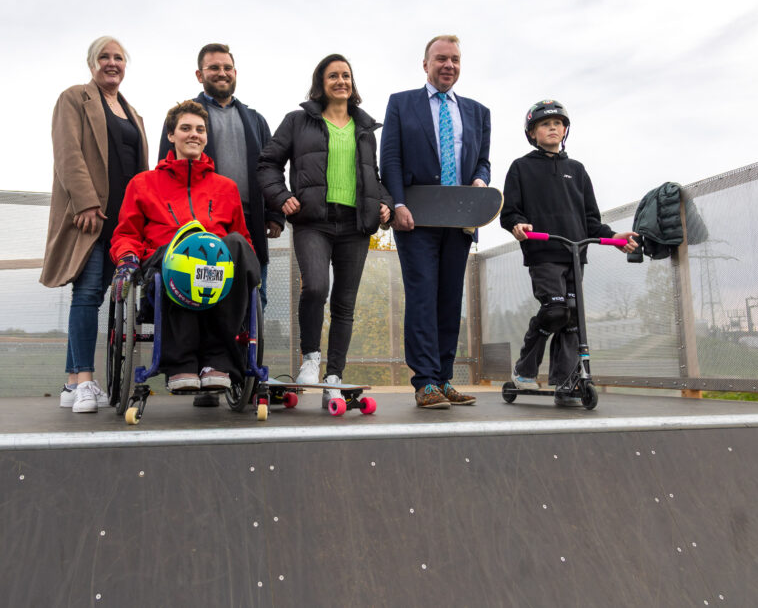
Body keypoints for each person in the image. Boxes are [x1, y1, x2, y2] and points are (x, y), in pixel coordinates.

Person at [257, 54, 392, 406]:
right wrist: (282, 196)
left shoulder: (364, 128)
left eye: (346, 75)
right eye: (333, 76)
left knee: (345, 303)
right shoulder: (298, 121)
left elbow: (373, 177)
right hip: (313, 221)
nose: (341, 81)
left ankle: (334, 376)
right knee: (316, 287)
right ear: (321, 83)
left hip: (356, 225)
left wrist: (385, 204)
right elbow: (268, 163)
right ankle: (310, 360)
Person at [157, 43, 284, 407]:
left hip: (244, 219)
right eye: (214, 68)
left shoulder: (256, 120)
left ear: (235, 72)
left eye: (227, 67)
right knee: (199, 290)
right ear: (200, 75)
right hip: (193, 223)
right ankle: (201, 371)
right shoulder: (189, 117)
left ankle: (237, 372)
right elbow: (166, 172)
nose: (222, 73)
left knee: (252, 294)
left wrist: (274, 214)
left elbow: (272, 168)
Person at [110, 101, 259, 393]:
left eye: (200, 130)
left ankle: (218, 361)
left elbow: (243, 240)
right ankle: (181, 363)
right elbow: (126, 234)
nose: (194, 134)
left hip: (219, 274)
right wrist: (127, 258)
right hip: (165, 266)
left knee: (237, 244)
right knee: (182, 250)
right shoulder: (143, 184)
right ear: (171, 135)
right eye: (186, 128)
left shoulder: (226, 188)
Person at [500, 100, 637, 406]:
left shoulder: (577, 170)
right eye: (545, 124)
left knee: (573, 319)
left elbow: (590, 219)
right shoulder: (521, 167)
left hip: (575, 255)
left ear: (565, 131)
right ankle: (524, 370)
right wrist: (518, 225)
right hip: (543, 251)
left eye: (558, 124)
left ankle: (566, 380)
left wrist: (614, 236)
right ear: (533, 133)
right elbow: (509, 212)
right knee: (555, 311)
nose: (553, 128)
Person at [380, 35, 489, 409]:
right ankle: (424, 382)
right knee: (423, 297)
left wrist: (480, 181)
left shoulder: (478, 112)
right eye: (441, 58)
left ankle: (443, 378)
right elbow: (390, 159)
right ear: (425, 64)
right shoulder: (401, 104)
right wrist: (396, 204)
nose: (449, 65)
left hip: (460, 219)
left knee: (449, 300)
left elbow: (482, 162)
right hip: (416, 217)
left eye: (455, 59)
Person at [41, 36, 148, 414]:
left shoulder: (133, 114)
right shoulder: (74, 99)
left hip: (123, 223)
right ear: (92, 63)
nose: (112, 62)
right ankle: (85, 379)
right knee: (86, 294)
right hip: (91, 217)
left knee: (98, 296)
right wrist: (85, 201)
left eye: (119, 57)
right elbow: (67, 152)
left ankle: (73, 383)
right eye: (104, 56)